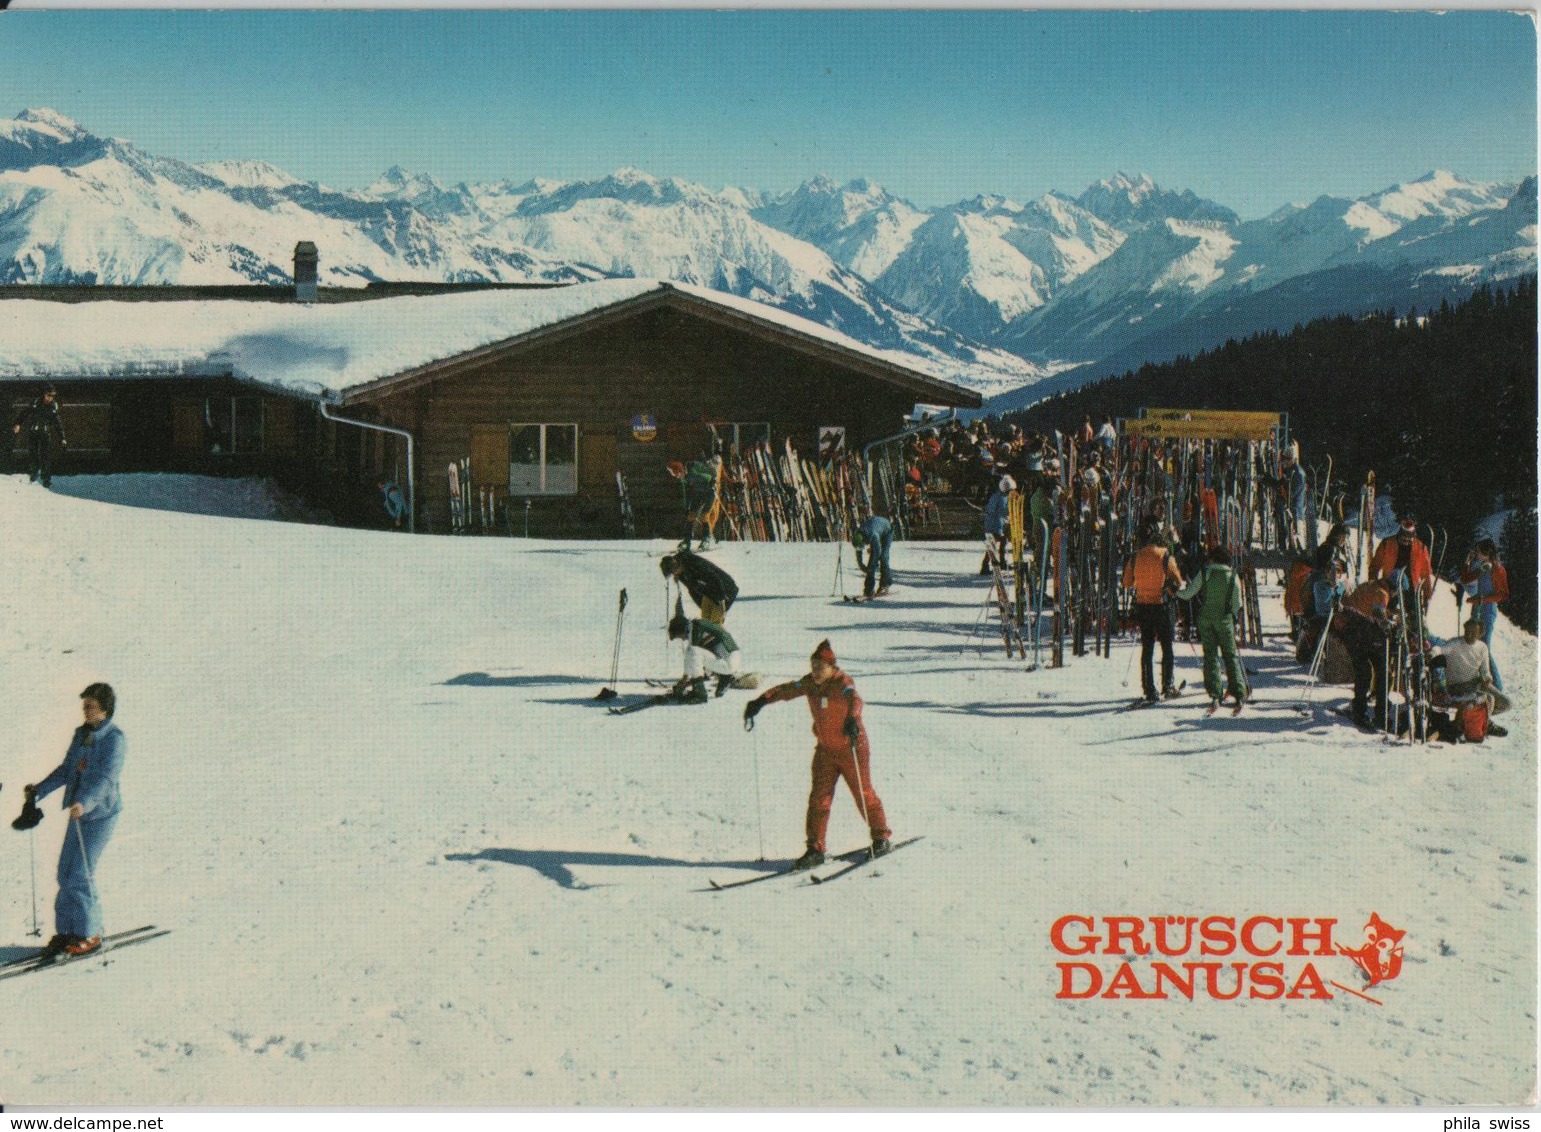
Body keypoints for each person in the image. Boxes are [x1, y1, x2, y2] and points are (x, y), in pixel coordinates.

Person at [742, 640, 892, 869]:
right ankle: (815, 848)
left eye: (820, 667)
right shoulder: (810, 683)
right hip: (826, 750)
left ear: (832, 667)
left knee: (863, 793)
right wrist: (760, 701)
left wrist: (852, 717)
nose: (815, 671)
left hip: (852, 747)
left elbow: (855, 699)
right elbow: (786, 690)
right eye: (813, 666)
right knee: (818, 798)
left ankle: (881, 837)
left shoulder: (843, 682)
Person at [13, 683, 125, 958]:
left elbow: (104, 779)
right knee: (66, 871)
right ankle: (68, 932)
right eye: (84, 705)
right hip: (78, 812)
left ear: (105, 709)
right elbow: (67, 769)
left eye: (90, 706)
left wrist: (84, 803)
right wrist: (39, 789)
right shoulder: (82, 735)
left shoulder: (114, 739)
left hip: (99, 814)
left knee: (80, 873)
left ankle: (90, 933)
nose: (85, 711)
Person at [1176, 545, 1248, 712]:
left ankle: (1215, 692)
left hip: (1206, 620)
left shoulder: (1206, 572)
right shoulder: (1233, 576)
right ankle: (1238, 691)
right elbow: (1237, 604)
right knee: (1230, 656)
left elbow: (1189, 593)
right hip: (1225, 620)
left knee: (1210, 656)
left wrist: (1176, 593)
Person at [1122, 529, 1185, 703]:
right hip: (1162, 606)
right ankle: (1167, 684)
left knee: (1147, 648)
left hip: (1143, 606)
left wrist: (1140, 583)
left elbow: (1127, 583)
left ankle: (1149, 688)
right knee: (1167, 646)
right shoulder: (1165, 556)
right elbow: (1178, 582)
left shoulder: (1135, 557)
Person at [1433, 618, 1510, 737]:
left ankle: (1475, 718)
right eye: (1467, 632)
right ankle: (1484, 724)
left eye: (1473, 633)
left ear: (1480, 634)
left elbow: (1485, 671)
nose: (1469, 635)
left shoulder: (1482, 647)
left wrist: (1487, 678)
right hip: (1457, 685)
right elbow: (1439, 650)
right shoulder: (1454, 644)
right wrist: (1433, 652)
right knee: (1489, 699)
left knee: (1506, 703)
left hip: (1476, 682)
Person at [1338, 578, 1396, 731]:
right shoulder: (1382, 593)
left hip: (1352, 630)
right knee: (1378, 671)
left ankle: (1361, 709)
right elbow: (1378, 614)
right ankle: (1377, 713)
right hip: (1362, 632)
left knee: (1366, 670)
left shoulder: (1369, 585)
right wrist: (1387, 623)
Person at [1460, 538, 1509, 692]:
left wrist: (1483, 599)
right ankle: (1481, 681)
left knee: (1484, 646)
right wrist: (1466, 564)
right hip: (1478, 609)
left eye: (1479, 551)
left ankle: (1497, 687)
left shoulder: (1498, 569)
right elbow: (1465, 579)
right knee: (1474, 644)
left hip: (1488, 610)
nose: (1477, 554)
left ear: (1486, 553)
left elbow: (1503, 594)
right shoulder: (1483, 566)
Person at [667, 613, 744, 702]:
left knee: (693, 650)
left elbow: (693, 655)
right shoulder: (696, 625)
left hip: (728, 663)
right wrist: (684, 680)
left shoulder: (696, 628)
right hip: (729, 658)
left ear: (681, 630)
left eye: (679, 636)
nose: (682, 639)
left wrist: (686, 682)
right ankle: (724, 676)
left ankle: (700, 694)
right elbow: (691, 657)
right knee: (691, 650)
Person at [659, 549, 738, 624]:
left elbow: (714, 577)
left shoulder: (694, 564)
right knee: (706, 624)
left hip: (725, 589)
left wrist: (722, 600)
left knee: (715, 626)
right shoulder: (682, 572)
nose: (674, 574)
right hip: (710, 593)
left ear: (676, 564)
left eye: (673, 572)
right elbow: (693, 590)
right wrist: (702, 607)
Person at [1368, 517, 1434, 607]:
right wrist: (1373, 587)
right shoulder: (1387, 543)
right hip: (1390, 587)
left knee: (1411, 617)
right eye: (1404, 539)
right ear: (1399, 534)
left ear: (1414, 536)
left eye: (1409, 540)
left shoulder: (1421, 548)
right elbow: (1374, 567)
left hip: (1411, 589)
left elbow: (1425, 575)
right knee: (1386, 614)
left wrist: (1427, 596)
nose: (1406, 542)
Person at [13, 384, 67, 487]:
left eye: (52, 396)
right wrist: (18, 424)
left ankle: (46, 479)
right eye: (48, 395)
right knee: (32, 453)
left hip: (45, 434)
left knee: (45, 456)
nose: (50, 398)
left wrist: (62, 438)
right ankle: (33, 474)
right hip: (34, 431)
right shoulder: (36, 403)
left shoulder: (53, 406)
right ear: (44, 394)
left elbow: (57, 423)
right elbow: (25, 413)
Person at [980, 477, 1012, 576]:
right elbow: (1001, 513)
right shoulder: (1003, 499)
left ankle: (1001, 562)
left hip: (991, 524)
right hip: (996, 525)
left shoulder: (996, 496)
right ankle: (985, 566)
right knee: (993, 545)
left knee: (1001, 542)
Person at [857, 510, 893, 598]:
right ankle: (869, 589)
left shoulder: (873, 535)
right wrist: (861, 565)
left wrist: (870, 568)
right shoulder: (857, 535)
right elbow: (858, 551)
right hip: (877, 527)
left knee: (883, 557)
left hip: (887, 531)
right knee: (873, 561)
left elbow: (877, 553)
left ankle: (885, 585)